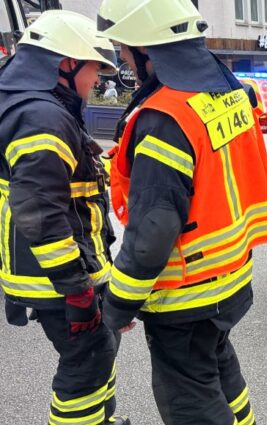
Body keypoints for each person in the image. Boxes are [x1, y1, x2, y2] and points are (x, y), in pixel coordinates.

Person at [97, 0, 267, 423]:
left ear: (148, 49)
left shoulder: (165, 118)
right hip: (230, 277)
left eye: (125, 48)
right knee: (220, 371)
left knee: (190, 402)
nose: (122, 57)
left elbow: (152, 233)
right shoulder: (228, 93)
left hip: (187, 291)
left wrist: (119, 304)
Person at [0, 11, 130, 425]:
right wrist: (78, 292)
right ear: (67, 63)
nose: (97, 82)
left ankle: (101, 418)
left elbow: (58, 186)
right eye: (94, 69)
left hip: (64, 269)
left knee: (101, 350)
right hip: (59, 278)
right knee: (87, 363)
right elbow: (41, 213)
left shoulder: (33, 105)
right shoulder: (42, 117)